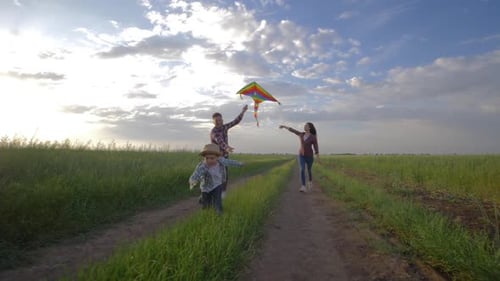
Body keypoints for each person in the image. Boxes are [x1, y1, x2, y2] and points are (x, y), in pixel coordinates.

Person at [189, 143, 243, 215]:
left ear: (217, 157)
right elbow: (196, 173)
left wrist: (239, 164)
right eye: (207, 158)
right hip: (205, 187)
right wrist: (193, 180)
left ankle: (219, 212)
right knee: (206, 203)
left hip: (217, 184)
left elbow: (230, 162)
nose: (209, 160)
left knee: (217, 200)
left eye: (212, 158)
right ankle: (206, 210)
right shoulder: (203, 166)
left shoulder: (221, 161)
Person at [210, 104, 248, 198]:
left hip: (225, 156)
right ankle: (208, 195)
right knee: (216, 177)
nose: (219, 122)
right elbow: (220, 141)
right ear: (213, 122)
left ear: (222, 120)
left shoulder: (225, 127)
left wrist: (243, 112)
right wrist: (226, 148)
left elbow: (235, 121)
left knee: (225, 176)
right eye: (216, 120)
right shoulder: (214, 132)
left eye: (220, 120)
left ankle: (222, 195)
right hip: (216, 158)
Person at [279, 122, 319, 192]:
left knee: (309, 170)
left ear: (309, 127)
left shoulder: (313, 137)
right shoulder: (301, 134)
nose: (304, 126)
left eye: (306, 126)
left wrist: (317, 155)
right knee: (302, 169)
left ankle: (310, 181)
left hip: (309, 156)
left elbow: (315, 146)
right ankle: (303, 186)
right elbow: (293, 130)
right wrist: (284, 126)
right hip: (301, 155)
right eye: (304, 125)